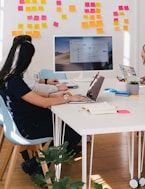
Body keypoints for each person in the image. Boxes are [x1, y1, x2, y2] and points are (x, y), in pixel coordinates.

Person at [0, 39, 89, 179]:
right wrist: (68, 98)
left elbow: (30, 94)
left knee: (61, 124)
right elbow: (43, 103)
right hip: (26, 129)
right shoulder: (15, 81)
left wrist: (53, 95)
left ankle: (33, 164)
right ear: (27, 59)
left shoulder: (7, 76)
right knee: (71, 133)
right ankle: (40, 171)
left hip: (21, 121)